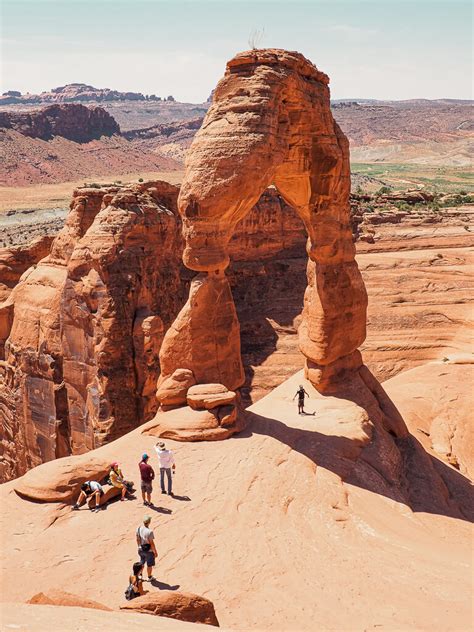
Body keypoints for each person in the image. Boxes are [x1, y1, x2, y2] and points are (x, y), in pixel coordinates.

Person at [136, 515, 158, 581]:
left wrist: (139, 546)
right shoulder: (149, 531)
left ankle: (140, 575)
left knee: (142, 562)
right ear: (149, 522)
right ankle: (149, 577)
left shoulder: (138, 528)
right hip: (149, 551)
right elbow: (151, 543)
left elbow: (137, 539)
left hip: (141, 549)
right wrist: (155, 551)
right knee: (149, 564)